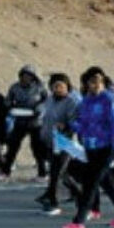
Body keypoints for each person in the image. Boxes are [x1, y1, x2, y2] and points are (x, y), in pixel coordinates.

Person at [60, 67, 114, 228]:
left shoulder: (109, 99)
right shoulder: (86, 101)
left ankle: (79, 222)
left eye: (98, 81)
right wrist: (68, 126)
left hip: (106, 147)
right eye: (92, 81)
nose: (95, 85)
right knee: (106, 181)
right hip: (90, 146)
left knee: (90, 184)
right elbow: (83, 124)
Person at [36, 73, 81, 216]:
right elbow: (45, 118)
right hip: (49, 142)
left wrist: (66, 125)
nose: (58, 89)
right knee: (62, 174)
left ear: (67, 87)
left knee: (55, 173)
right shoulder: (49, 101)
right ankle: (81, 195)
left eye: (61, 86)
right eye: (55, 86)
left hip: (64, 143)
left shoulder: (71, 102)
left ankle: (52, 203)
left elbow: (76, 122)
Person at [1, 65, 49, 180]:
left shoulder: (40, 88)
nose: (25, 78)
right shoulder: (15, 87)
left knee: (37, 148)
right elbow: (8, 100)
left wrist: (39, 109)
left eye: (28, 76)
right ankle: (5, 172)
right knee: (12, 146)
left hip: (35, 122)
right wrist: (9, 106)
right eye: (23, 75)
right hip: (20, 120)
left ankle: (42, 173)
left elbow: (46, 101)